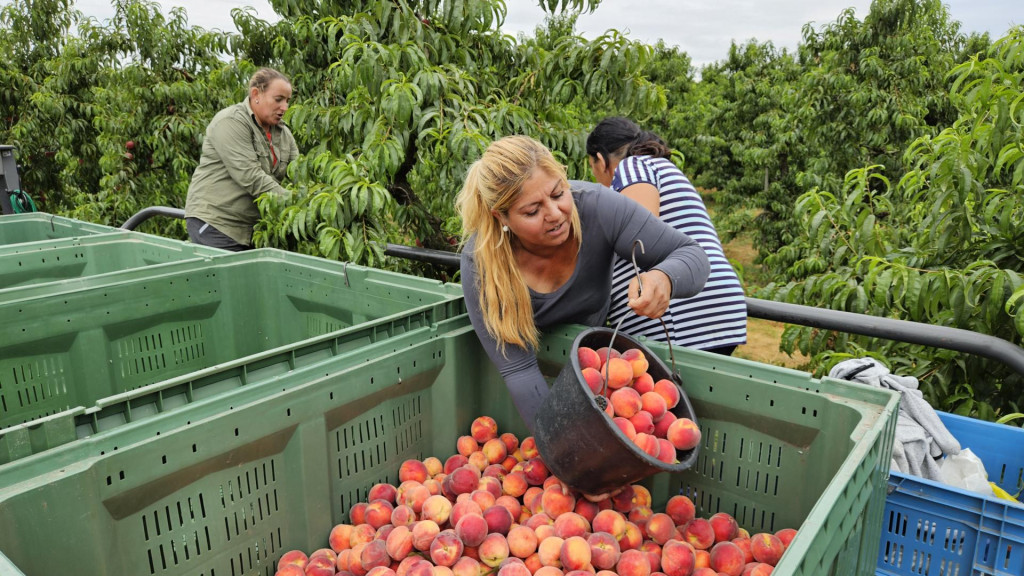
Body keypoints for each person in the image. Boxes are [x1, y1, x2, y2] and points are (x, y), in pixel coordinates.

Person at [457, 135, 711, 433]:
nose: (554, 214)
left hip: (595, 373)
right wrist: (563, 455)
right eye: (532, 211)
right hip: (538, 384)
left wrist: (663, 277)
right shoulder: (482, 262)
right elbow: (519, 369)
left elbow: (693, 256)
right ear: (502, 217)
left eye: (558, 193)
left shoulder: (597, 208)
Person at [586, 117, 747, 355]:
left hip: (685, 315)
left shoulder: (632, 167)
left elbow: (640, 238)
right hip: (706, 308)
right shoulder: (656, 167)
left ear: (600, 160)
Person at [185, 67, 299, 251]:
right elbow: (250, 176)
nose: (284, 107)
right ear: (256, 94)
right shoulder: (231, 121)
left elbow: (299, 172)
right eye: (278, 100)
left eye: (287, 101)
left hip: (252, 229)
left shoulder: (283, 133)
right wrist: (297, 204)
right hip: (218, 223)